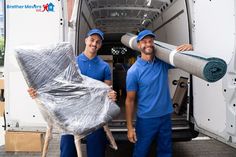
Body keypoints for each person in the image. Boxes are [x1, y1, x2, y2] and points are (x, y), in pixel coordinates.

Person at [28, 28, 117, 157]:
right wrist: (38, 93)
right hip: (71, 115)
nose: (94, 44)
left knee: (97, 150)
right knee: (67, 151)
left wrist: (111, 95)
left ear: (100, 45)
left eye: (98, 42)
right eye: (92, 40)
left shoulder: (104, 67)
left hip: (94, 116)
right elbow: (58, 86)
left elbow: (106, 91)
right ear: (86, 40)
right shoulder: (71, 62)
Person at [125, 29, 193, 157]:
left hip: (165, 116)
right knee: (141, 152)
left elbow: (184, 62)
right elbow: (129, 100)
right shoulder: (134, 71)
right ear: (139, 45)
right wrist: (129, 128)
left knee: (166, 151)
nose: (148, 44)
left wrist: (190, 48)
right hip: (146, 119)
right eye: (144, 42)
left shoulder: (162, 63)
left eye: (150, 41)